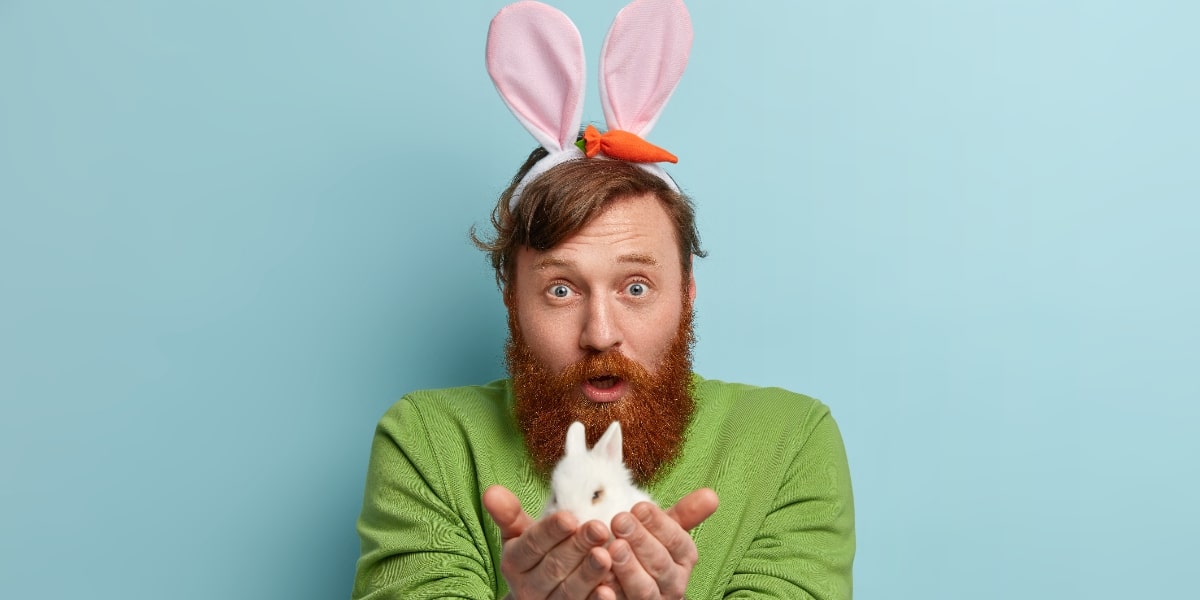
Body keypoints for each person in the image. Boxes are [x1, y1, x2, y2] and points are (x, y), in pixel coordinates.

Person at [352, 2, 853, 598]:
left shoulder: (789, 441)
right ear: (511, 299)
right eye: (560, 289)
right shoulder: (428, 442)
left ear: (687, 293)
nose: (600, 332)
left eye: (635, 287)